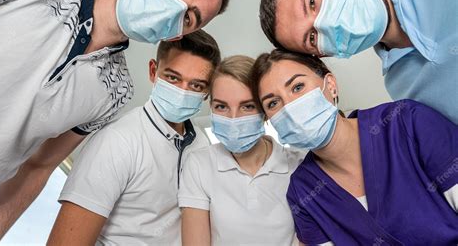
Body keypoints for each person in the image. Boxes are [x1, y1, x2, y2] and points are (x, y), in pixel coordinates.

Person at [0, 0, 231, 241]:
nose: (175, 8)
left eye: (189, 18)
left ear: (174, 35)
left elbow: (37, 168)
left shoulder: (114, 91)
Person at [251, 49, 458, 245]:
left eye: (297, 87)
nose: (289, 106)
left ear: (330, 84)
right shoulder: (304, 191)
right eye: (273, 103)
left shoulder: (407, 123)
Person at [258, 0, 458, 125]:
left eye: (312, 2)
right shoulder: (402, 88)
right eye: (311, 37)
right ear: (324, 54)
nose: (325, 23)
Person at [47, 30, 220, 245]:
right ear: (153, 71)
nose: (183, 92)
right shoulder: (117, 141)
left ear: (207, 91)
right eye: (173, 78)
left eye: (196, 85)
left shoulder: (201, 143)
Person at [179, 55, 305, 246]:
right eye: (221, 106)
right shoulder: (199, 164)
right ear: (211, 108)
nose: (233, 119)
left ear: (264, 112)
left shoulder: (299, 165)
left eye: (247, 106)